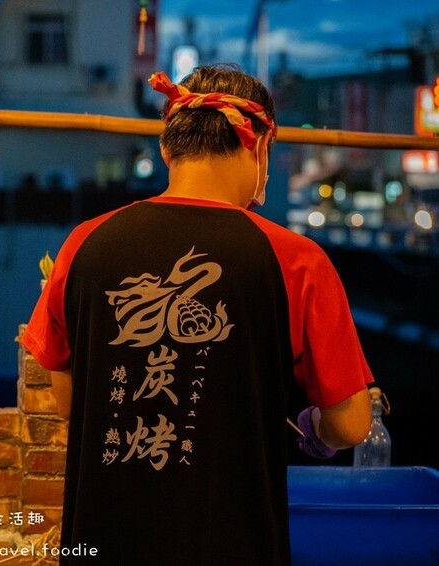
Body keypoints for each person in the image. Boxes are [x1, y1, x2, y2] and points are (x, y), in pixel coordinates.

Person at [21, 63, 372, 565]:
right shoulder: (296, 261)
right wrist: (315, 428)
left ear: (167, 148)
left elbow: (69, 402)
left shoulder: (85, 244)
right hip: (236, 547)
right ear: (260, 145)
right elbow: (353, 424)